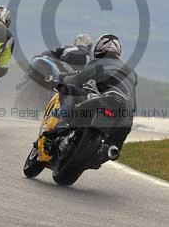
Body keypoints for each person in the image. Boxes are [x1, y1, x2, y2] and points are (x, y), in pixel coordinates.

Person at [42, 33, 137, 164]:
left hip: (104, 100)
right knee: (114, 146)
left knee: (67, 90)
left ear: (99, 47)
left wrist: (63, 78)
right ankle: (111, 149)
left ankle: (61, 125)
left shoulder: (99, 62)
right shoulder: (131, 72)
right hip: (125, 111)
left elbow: (77, 79)